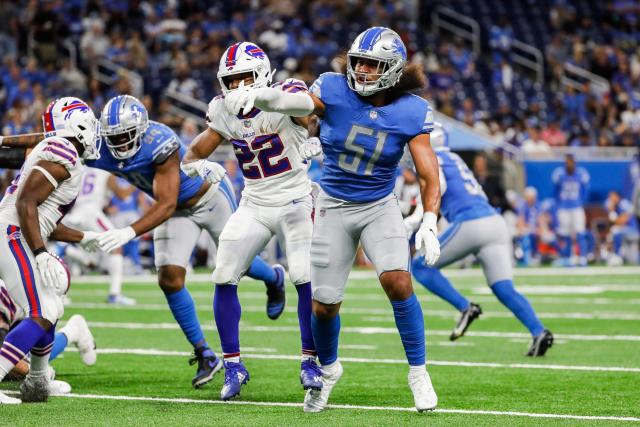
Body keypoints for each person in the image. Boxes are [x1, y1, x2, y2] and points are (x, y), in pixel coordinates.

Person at [225, 27, 442, 412]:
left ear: (392, 69)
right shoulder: (332, 87)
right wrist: (260, 96)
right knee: (324, 305)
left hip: (379, 205)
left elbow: (428, 172)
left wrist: (428, 219)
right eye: (358, 61)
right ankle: (327, 371)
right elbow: (295, 101)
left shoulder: (411, 109)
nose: (361, 70)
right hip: (333, 205)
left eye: (372, 65)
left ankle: (418, 373)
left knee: (397, 282)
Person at [87, 95, 287, 389]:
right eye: (113, 136)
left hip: (208, 198)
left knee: (236, 265)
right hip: (174, 211)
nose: (120, 142)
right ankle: (204, 353)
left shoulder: (160, 142)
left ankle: (274, 277)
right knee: (169, 279)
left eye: (126, 135)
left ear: (141, 130)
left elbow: (166, 203)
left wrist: (128, 231)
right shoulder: (95, 145)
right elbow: (45, 144)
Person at [182, 42, 321, 400]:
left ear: (262, 75)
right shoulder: (223, 111)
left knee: (304, 273)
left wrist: (315, 137)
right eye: (232, 79)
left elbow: (313, 115)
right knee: (223, 272)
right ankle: (233, 365)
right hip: (255, 200)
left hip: (294, 197)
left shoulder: (286, 92)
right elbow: (192, 154)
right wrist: (200, 166)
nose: (239, 86)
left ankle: (310, 360)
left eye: (246, 77)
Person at [407, 124, 553, 356]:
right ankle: (538, 331)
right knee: (503, 287)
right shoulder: (455, 158)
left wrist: (417, 219)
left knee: (420, 266)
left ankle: (465, 307)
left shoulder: (434, 157)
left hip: (471, 222)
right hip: (495, 222)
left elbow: (439, 186)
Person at [0, 97, 102, 404]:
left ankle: (38, 380)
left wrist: (83, 237)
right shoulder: (64, 150)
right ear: (78, 124)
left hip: (18, 232)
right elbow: (25, 204)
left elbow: (42, 218)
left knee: (51, 304)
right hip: (13, 234)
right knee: (42, 311)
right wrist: (42, 252)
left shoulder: (61, 150)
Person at [62, 167, 136, 305]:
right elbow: (122, 194)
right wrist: (136, 182)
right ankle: (115, 294)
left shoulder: (83, 170)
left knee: (92, 262)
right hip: (92, 213)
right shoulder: (105, 170)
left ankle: (66, 250)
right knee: (116, 244)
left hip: (76, 213)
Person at [0, 278, 96, 380]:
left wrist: (34, 372)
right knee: (13, 368)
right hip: (25, 298)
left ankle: (73, 330)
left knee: (18, 361)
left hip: (38, 306)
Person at [552, 154, 590, 266]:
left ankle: (583, 257)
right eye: (567, 162)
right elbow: (555, 192)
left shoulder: (581, 173)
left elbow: (585, 190)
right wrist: (559, 205)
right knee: (566, 234)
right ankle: (569, 257)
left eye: (571, 162)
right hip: (564, 207)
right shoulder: (559, 174)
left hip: (576, 206)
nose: (569, 164)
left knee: (580, 232)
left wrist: (581, 202)